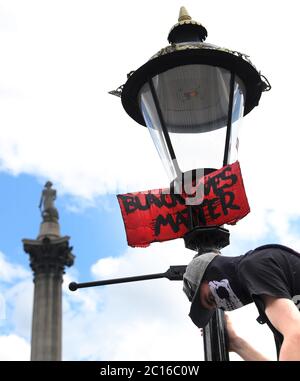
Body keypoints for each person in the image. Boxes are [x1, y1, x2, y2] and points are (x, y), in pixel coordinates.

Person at [183, 244, 300, 361]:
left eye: (211, 298)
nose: (222, 304)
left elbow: (296, 336)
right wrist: (237, 344)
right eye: (218, 306)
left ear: (212, 271)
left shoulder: (252, 266)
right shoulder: (275, 304)